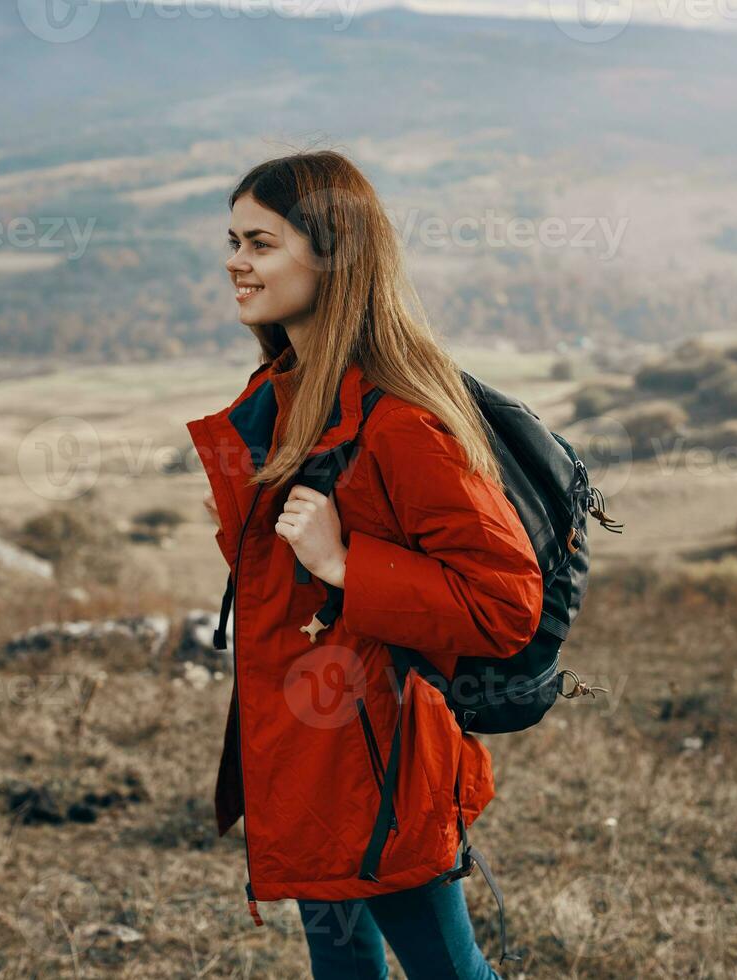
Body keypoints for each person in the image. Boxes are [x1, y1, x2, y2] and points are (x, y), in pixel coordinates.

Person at [185, 150, 544, 980]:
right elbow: (292, 582)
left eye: (262, 243)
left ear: (334, 255)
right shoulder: (294, 390)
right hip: (312, 752)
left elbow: (504, 600)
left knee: (450, 973)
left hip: (382, 762)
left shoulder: (401, 418)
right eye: (233, 239)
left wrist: (348, 565)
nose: (236, 261)